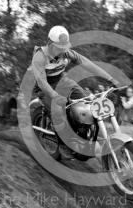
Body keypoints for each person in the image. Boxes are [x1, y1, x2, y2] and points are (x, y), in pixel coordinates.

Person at [29, 25, 118, 157]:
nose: (63, 50)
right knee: (57, 111)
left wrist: (109, 78)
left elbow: (86, 63)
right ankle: (65, 144)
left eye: (64, 47)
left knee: (86, 102)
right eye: (60, 47)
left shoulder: (66, 53)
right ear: (50, 44)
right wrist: (55, 96)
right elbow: (42, 82)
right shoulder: (40, 57)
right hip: (45, 87)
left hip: (62, 81)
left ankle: (84, 135)